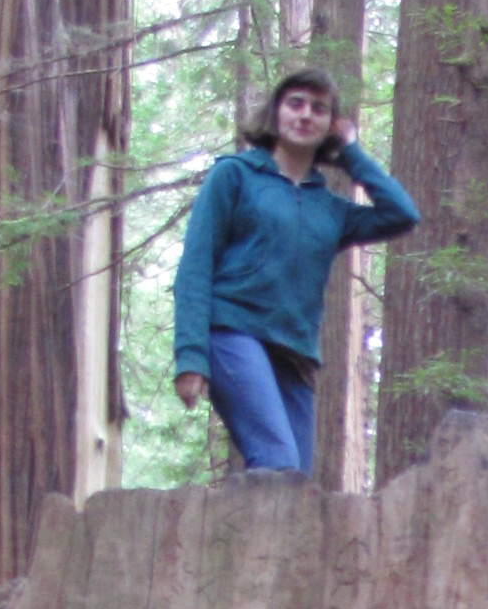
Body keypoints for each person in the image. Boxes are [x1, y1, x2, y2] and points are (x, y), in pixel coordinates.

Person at [172, 69, 419, 475]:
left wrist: (352, 152)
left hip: (294, 355)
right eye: (296, 104)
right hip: (233, 333)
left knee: (296, 486)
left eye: (319, 109)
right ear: (276, 113)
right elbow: (196, 267)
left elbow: (402, 214)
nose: (306, 115)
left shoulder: (331, 209)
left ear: (330, 126)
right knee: (277, 463)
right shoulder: (235, 175)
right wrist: (191, 356)